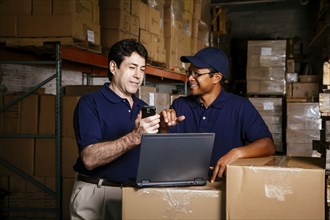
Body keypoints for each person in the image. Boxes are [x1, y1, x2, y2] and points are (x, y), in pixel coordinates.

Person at [70, 39, 160, 220]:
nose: (138, 75)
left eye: (142, 69)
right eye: (132, 67)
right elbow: (89, 158)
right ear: (113, 67)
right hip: (97, 193)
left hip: (133, 194)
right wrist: (135, 137)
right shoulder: (91, 103)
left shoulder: (142, 107)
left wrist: (164, 132)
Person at [160, 47, 275, 182]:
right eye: (189, 72)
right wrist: (163, 128)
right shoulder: (180, 105)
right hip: (183, 184)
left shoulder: (240, 106)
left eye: (197, 73)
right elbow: (165, 150)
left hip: (225, 187)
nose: (190, 78)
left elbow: (268, 145)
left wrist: (237, 153)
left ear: (216, 77)